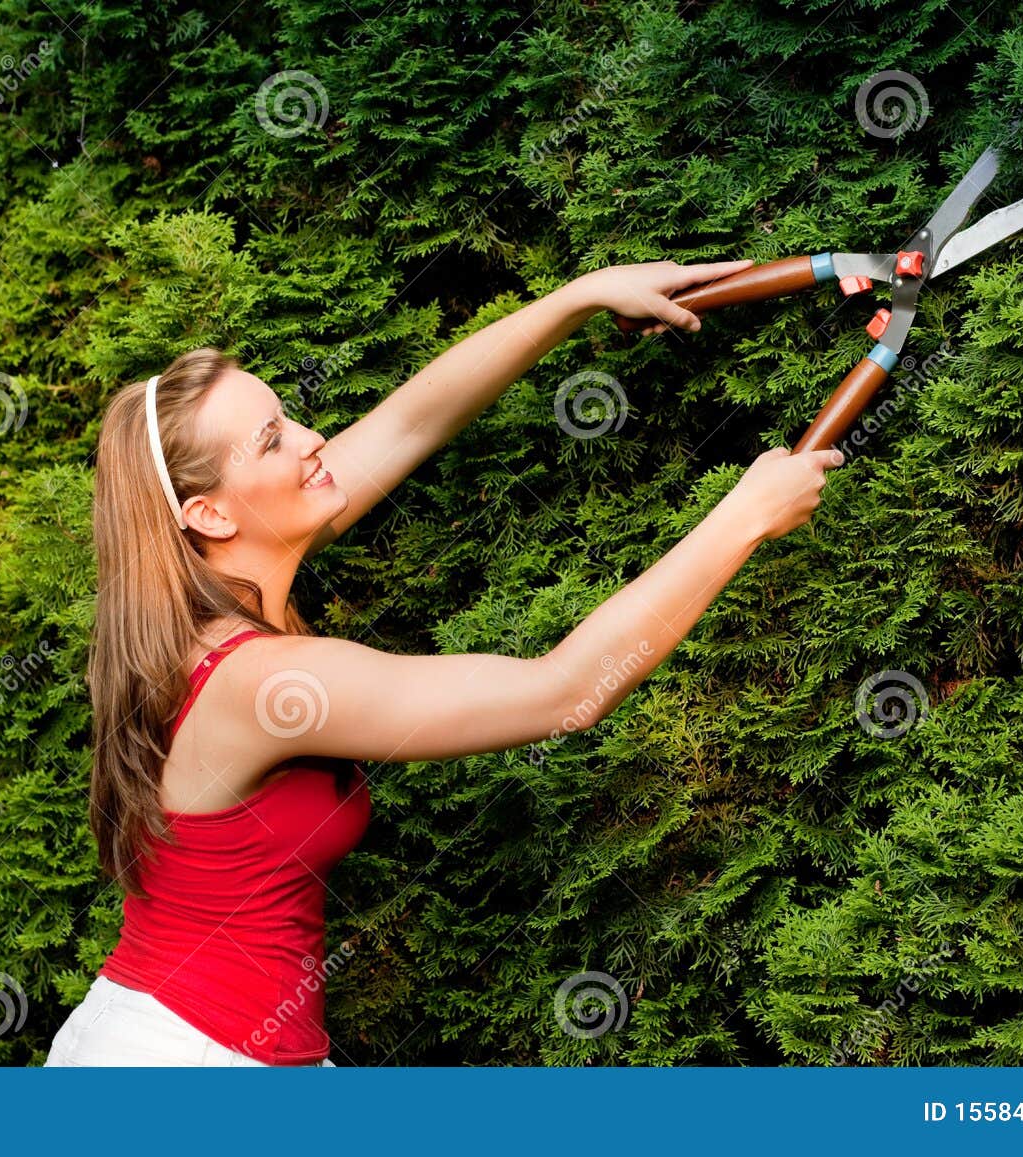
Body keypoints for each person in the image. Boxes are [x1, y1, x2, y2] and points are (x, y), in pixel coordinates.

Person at [43, 260, 846, 1067]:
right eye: (273, 439)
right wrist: (743, 518)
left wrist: (577, 299)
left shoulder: (207, 599)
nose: (315, 439)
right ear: (210, 512)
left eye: (289, 417)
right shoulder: (264, 683)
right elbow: (563, 692)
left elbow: (408, 426)